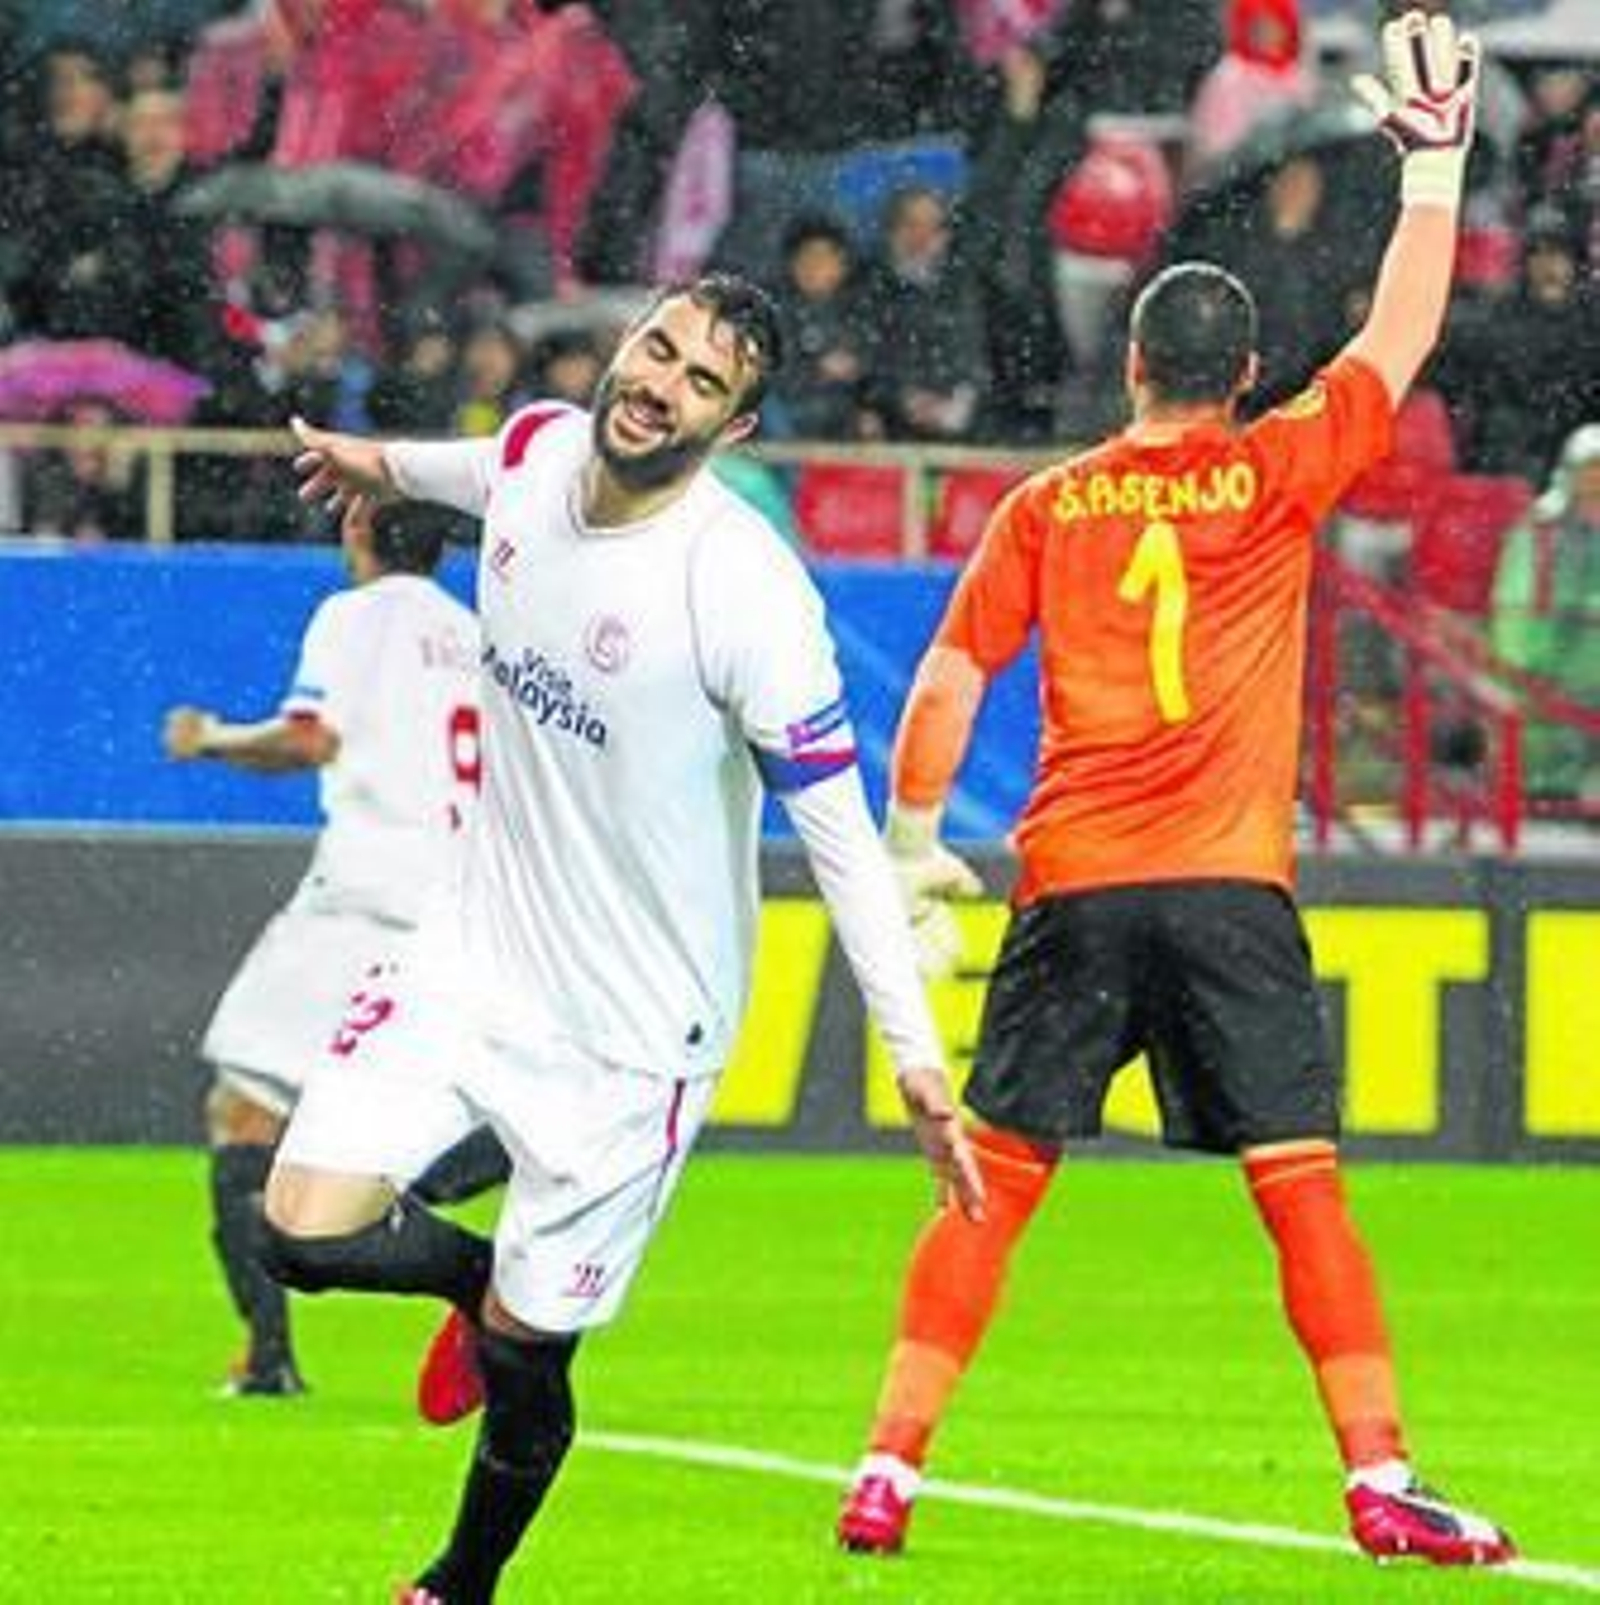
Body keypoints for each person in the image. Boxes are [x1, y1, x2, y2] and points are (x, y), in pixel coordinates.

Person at [835, 10, 1516, 1569]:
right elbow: (1399, 343)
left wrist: (917, 837)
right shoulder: (1278, 468)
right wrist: (1433, 168)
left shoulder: (1050, 503)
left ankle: (888, 1468)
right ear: (1247, 373)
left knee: (990, 1190)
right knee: (1301, 1194)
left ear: (1132, 366)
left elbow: (944, 682)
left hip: (1072, 881)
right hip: (1226, 889)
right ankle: (1378, 1477)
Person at [260, 272, 982, 1604]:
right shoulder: (540, 450)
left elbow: (840, 839)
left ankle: (458, 1583)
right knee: (300, 1231)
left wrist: (918, 1057)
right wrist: (365, 461)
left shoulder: (748, 596)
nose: (660, 383)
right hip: (469, 956)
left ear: (737, 427)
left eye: (703, 381)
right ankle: (472, 1281)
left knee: (534, 1364)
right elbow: (468, 468)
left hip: (637, 1035)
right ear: (624, 343)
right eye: (658, 349)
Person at [163, 497, 483, 1396]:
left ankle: (268, 1356)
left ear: (358, 534)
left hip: (364, 901)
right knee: (379, 1106)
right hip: (459, 908)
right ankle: (472, 1159)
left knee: (243, 1112)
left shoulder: (356, 615)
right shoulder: (473, 637)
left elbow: (312, 737)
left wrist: (213, 739)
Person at [1490, 421, 1600, 803]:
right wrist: (1523, 660)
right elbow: (1515, 601)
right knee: (1542, 757)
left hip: (1591, 671)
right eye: (1591, 468)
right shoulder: (1541, 529)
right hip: (1547, 665)